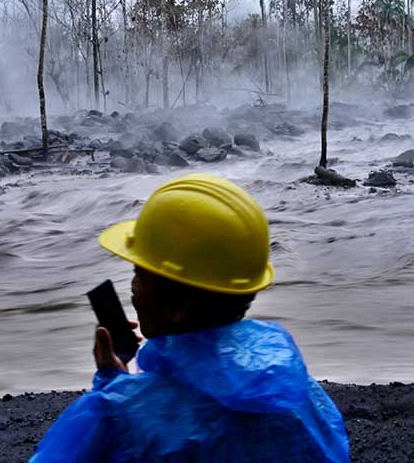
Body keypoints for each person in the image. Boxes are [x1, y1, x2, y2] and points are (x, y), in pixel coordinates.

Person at [29, 174, 350, 462]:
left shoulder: (114, 416)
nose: (133, 290)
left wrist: (111, 388)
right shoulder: (299, 393)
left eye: (139, 274)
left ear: (178, 306)